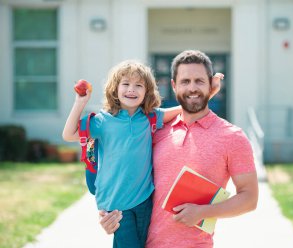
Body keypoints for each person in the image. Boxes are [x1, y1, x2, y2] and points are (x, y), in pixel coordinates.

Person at [99, 50, 259, 248]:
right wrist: (112, 218)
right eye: (185, 81)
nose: (192, 88)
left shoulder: (232, 137)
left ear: (211, 85)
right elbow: (120, 170)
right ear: (174, 86)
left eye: (199, 81)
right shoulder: (154, 130)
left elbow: (249, 198)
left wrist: (202, 212)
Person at [62, 60, 222, 248]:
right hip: (117, 204)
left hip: (144, 200)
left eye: (139, 85)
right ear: (115, 88)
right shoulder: (103, 121)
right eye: (126, 84)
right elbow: (69, 134)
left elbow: (186, 108)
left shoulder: (150, 117)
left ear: (147, 92)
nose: (132, 89)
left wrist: (209, 93)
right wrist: (80, 103)